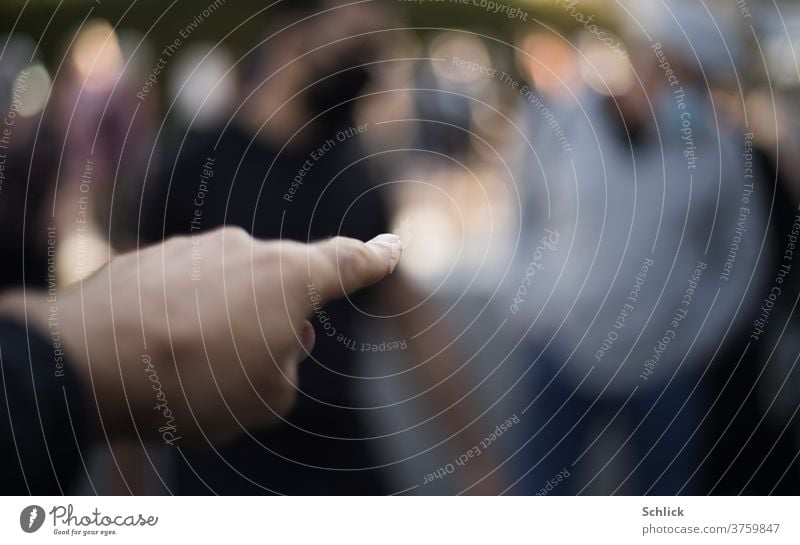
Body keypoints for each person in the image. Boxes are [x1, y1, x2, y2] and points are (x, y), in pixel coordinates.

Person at [0, 227, 402, 494]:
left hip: (347, 471)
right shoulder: (193, 160)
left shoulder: (352, 164)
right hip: (222, 483)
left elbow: (408, 307)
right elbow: (154, 310)